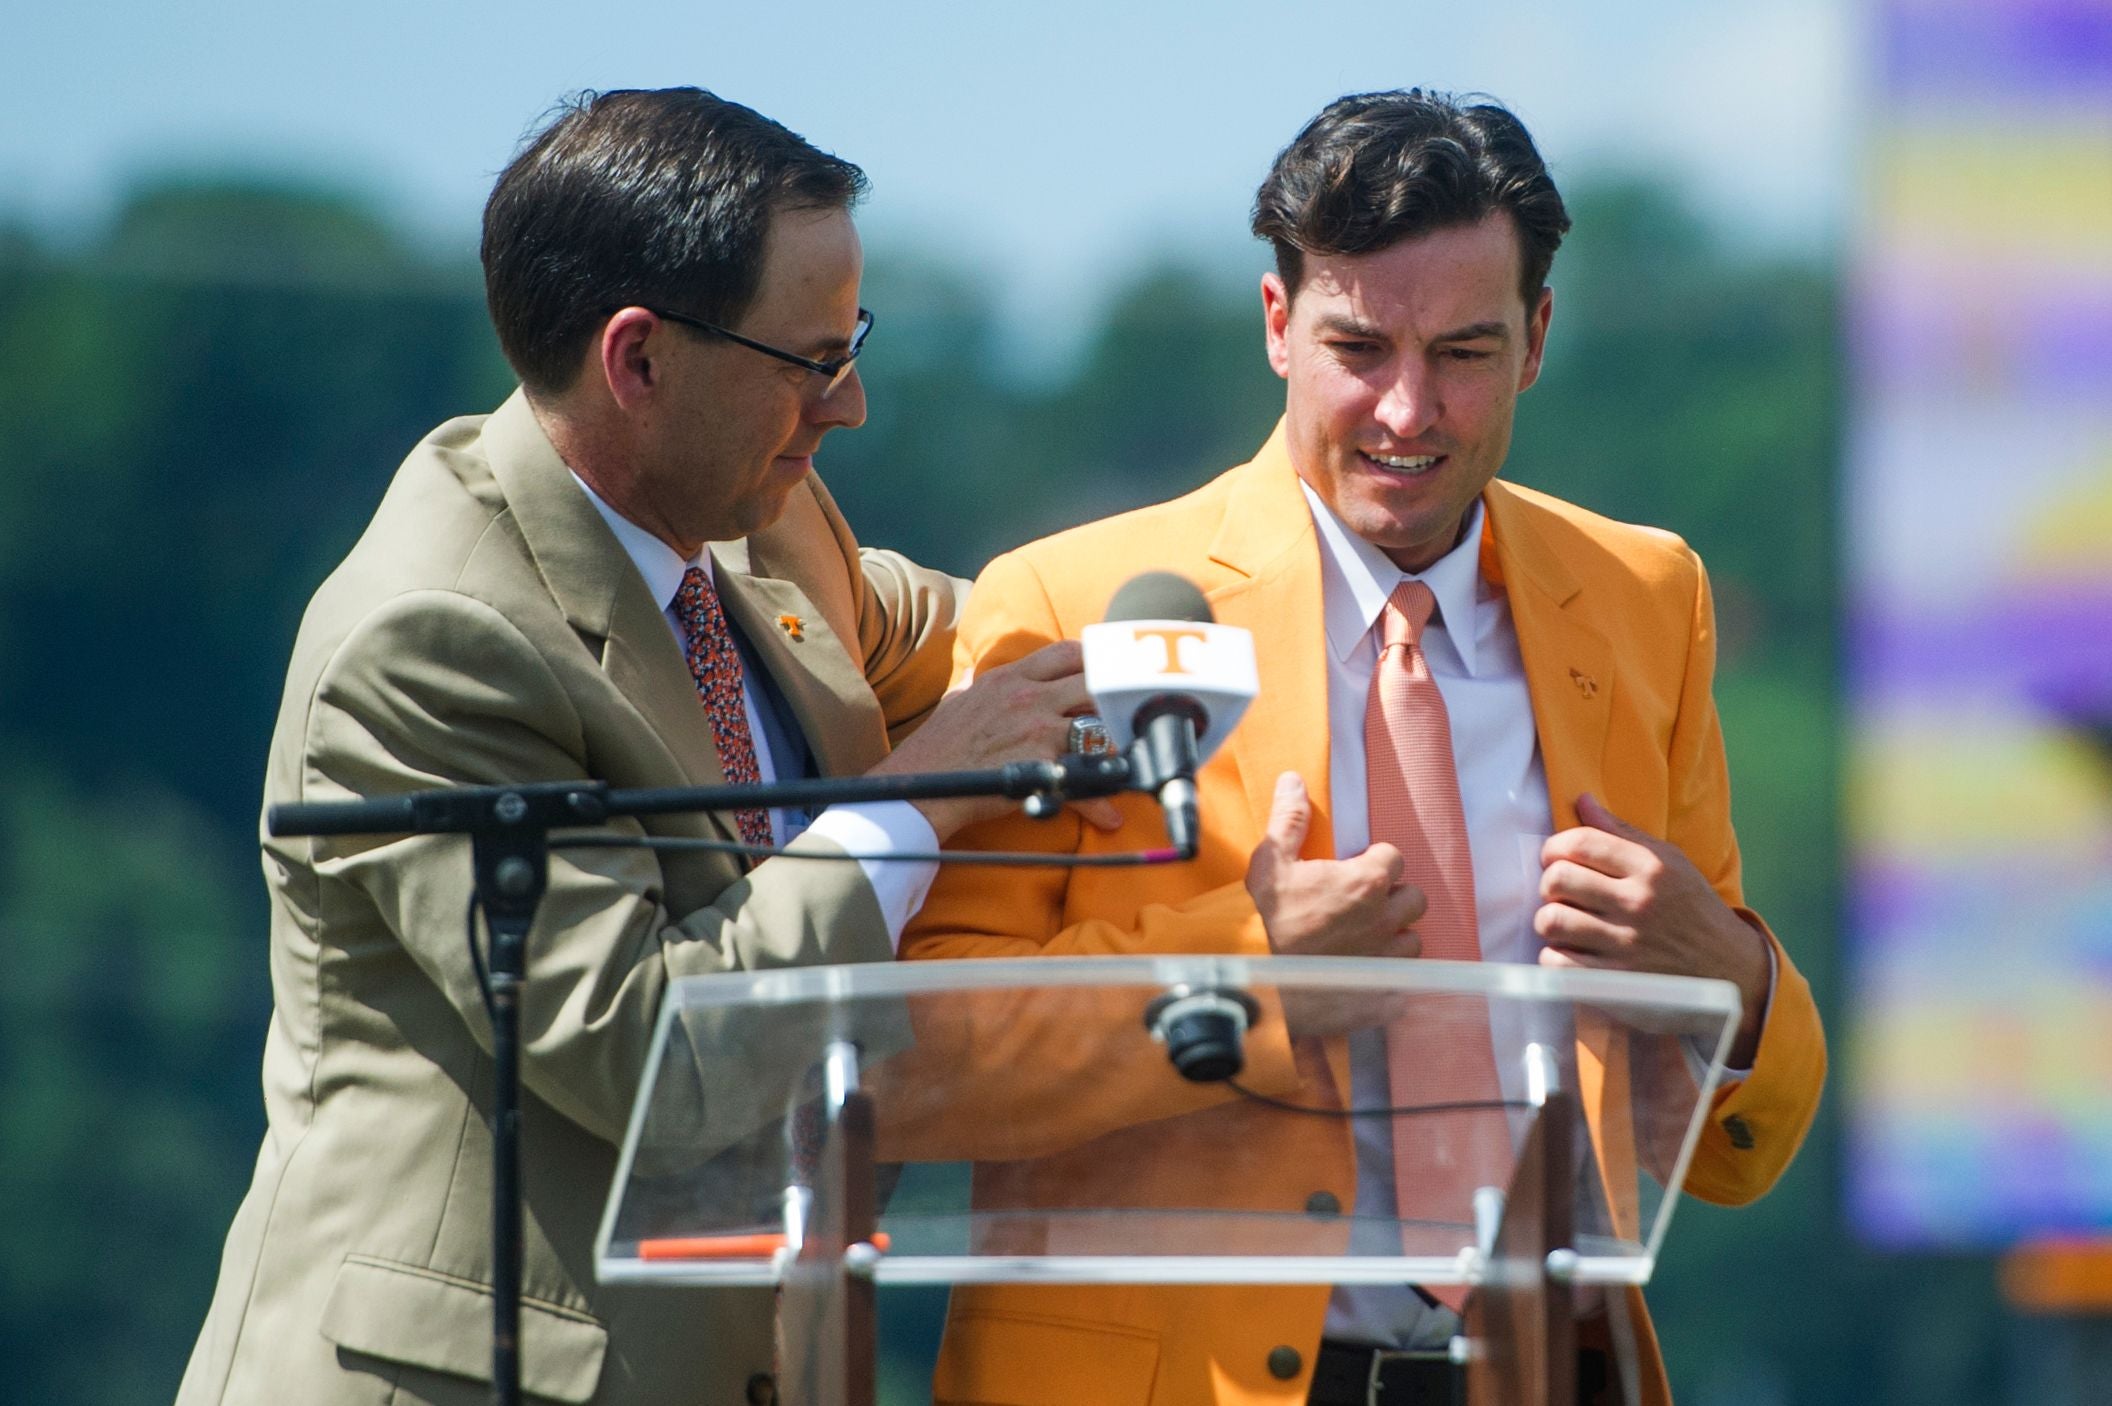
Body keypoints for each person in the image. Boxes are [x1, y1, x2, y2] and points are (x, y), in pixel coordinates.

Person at [901, 90, 1826, 1406]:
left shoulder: (1645, 596)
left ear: (1538, 338)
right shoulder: (1065, 603)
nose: (1407, 409)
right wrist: (1250, 966)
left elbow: (1735, 1152)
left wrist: (1732, 975)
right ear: (1277, 328)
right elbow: (922, 1066)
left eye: (1462, 350)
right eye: (1359, 347)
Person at [178, 88, 1095, 1406]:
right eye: (812, 359)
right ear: (639, 361)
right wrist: (920, 799)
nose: (853, 406)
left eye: (856, 342)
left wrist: (1238, 614)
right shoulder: (434, 633)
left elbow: (995, 636)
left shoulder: (754, 518)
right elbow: (653, 1047)